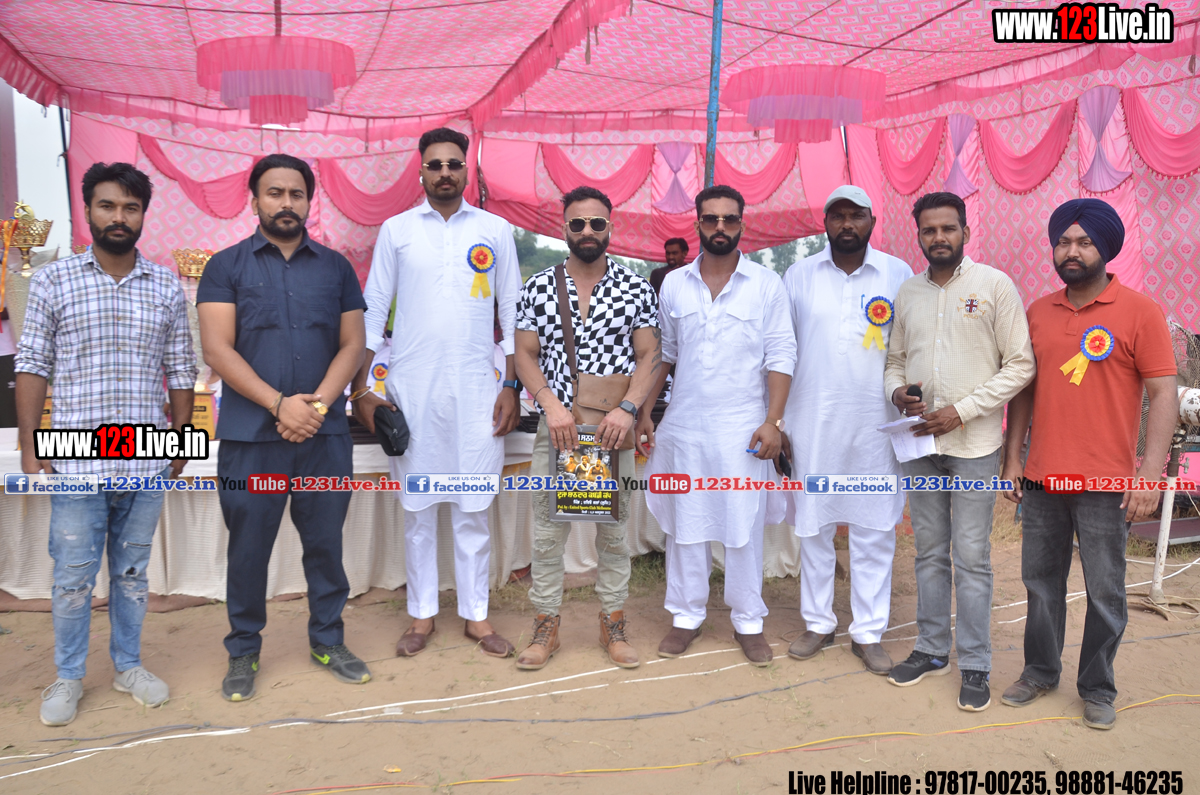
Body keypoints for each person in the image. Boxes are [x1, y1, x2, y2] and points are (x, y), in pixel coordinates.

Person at [15, 162, 197, 725]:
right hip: (77, 460)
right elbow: (32, 363)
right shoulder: (54, 280)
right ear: (88, 210)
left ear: (143, 215)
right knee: (73, 576)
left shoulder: (165, 285)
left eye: (130, 208)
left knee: (132, 573)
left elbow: (181, 368)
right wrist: (30, 443)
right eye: (108, 205)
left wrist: (181, 440)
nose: (119, 217)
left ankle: (128, 666)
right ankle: (69, 676)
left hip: (144, 457)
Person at [999, 198, 1177, 730]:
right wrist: (1013, 459)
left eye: (1083, 242)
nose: (1071, 251)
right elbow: (1024, 391)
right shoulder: (1038, 312)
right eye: (1063, 242)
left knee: (1105, 590)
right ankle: (1039, 671)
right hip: (1042, 479)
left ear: (1106, 248)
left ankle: (1098, 687)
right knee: (1040, 582)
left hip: (1107, 483)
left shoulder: (1140, 311)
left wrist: (1148, 476)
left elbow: (1163, 395)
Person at [198, 153, 370, 702]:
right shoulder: (225, 266)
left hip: (323, 438)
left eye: (296, 193)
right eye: (275, 192)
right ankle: (243, 649)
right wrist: (278, 405)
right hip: (251, 439)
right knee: (249, 548)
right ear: (255, 200)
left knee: (325, 544)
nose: (286, 203)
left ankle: (328, 640)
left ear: (308, 201)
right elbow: (217, 349)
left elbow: (353, 345)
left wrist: (315, 408)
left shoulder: (336, 268)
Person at [352, 127, 521, 660]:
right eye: (434, 165)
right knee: (419, 509)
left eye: (453, 164)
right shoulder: (397, 230)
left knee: (473, 510)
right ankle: (422, 614)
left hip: (477, 389)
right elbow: (373, 310)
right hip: (412, 388)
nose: (444, 172)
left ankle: (476, 615)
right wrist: (362, 388)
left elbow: (513, 312)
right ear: (421, 171)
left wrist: (511, 383)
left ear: (466, 170)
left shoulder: (495, 230)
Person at [884, 191, 1035, 711]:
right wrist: (897, 393)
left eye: (948, 228)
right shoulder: (908, 292)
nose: (939, 238)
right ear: (919, 236)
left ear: (966, 232)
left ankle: (975, 663)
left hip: (974, 446)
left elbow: (1021, 364)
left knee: (971, 557)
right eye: (929, 230)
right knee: (928, 552)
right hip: (920, 444)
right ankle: (931, 651)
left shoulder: (994, 286)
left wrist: (963, 411)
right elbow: (894, 361)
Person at [640, 185, 795, 666]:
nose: (720, 227)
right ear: (698, 224)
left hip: (742, 429)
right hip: (684, 426)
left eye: (729, 219)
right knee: (685, 525)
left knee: (742, 526)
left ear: (742, 224)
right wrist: (644, 410)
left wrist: (773, 421)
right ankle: (686, 616)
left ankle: (748, 621)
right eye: (711, 219)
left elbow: (781, 355)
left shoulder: (766, 284)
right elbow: (665, 353)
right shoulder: (674, 284)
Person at [513, 185, 661, 670]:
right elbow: (524, 354)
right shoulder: (538, 287)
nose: (588, 231)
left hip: (612, 432)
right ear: (565, 229)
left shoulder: (635, 287)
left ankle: (612, 623)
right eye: (578, 223)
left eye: (597, 223)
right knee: (547, 534)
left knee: (614, 534)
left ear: (610, 227)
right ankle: (546, 626)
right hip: (558, 430)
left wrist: (629, 408)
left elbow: (650, 355)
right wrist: (550, 405)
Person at [781, 186, 911, 675]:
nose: (847, 223)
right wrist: (779, 420)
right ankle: (818, 623)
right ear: (825, 223)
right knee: (814, 526)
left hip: (875, 424)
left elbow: (909, 345)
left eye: (856, 215)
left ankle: (868, 632)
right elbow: (781, 349)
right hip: (811, 422)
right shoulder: (799, 275)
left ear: (872, 221)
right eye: (838, 215)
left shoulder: (897, 273)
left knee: (874, 527)